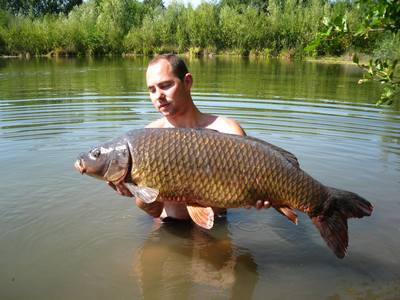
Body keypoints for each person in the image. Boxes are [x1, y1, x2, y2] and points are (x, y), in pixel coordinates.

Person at [108, 54, 270, 220]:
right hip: (168, 227)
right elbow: (154, 211)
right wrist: (135, 191)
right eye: (152, 90)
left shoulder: (228, 131)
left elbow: (251, 188)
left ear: (187, 82)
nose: (158, 95)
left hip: (216, 227)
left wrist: (257, 195)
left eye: (165, 85)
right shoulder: (147, 138)